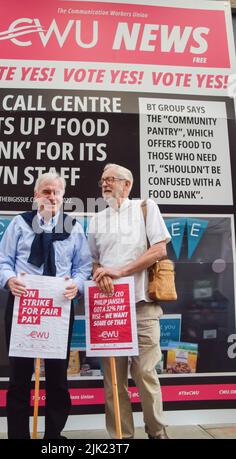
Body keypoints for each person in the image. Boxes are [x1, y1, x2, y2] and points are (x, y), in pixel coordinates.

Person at [0, 172, 92, 439]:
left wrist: (78, 284)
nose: (51, 196)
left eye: (56, 192)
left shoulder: (74, 227)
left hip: (59, 307)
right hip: (22, 305)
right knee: (19, 376)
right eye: (45, 191)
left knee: (58, 376)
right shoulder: (18, 224)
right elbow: (2, 261)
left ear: (63, 197)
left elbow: (84, 268)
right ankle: (18, 436)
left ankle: (53, 436)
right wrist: (9, 279)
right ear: (36, 195)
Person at [88, 163, 171, 440]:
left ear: (127, 185)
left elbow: (159, 249)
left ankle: (157, 433)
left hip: (143, 306)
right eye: (102, 180)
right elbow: (95, 261)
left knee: (146, 375)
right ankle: (121, 438)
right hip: (110, 310)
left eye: (111, 179)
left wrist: (121, 272)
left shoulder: (145, 207)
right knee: (114, 383)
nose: (104, 184)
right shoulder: (96, 219)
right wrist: (100, 274)